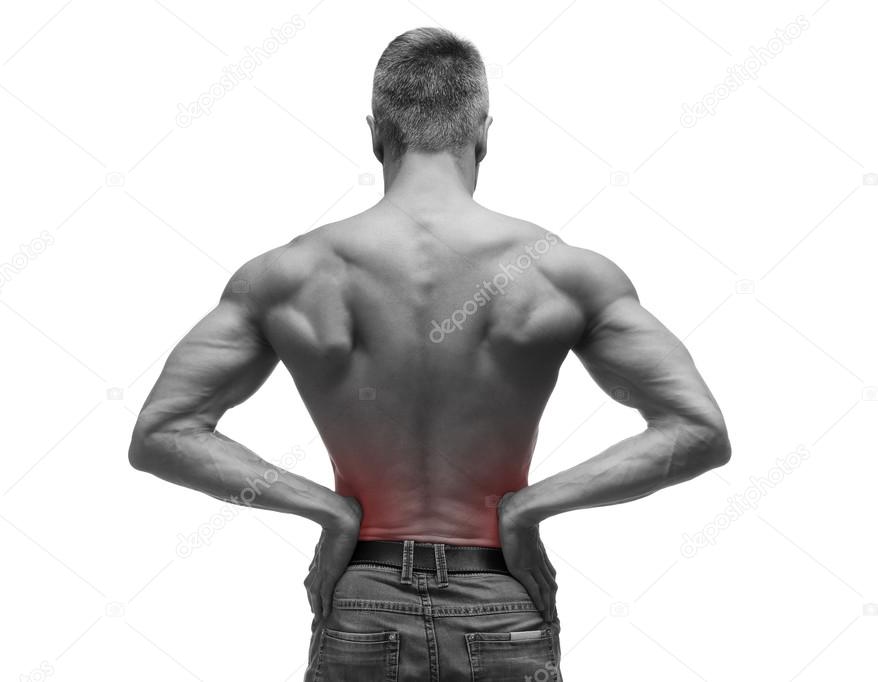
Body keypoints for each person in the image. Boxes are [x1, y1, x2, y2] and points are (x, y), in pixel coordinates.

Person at [128, 26, 731, 682]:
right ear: (483, 132)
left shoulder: (291, 273)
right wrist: (526, 508)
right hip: (499, 600)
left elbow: (163, 433)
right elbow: (696, 429)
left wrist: (329, 510)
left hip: (363, 599)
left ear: (374, 133)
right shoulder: (560, 273)